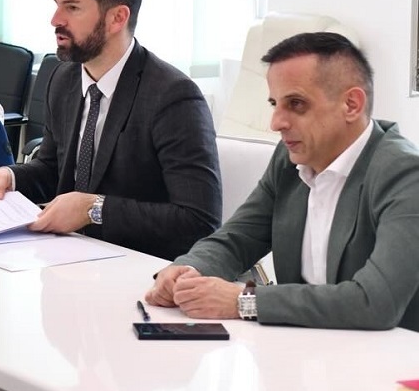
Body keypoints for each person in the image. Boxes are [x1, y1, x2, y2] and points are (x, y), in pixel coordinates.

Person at [146, 32, 419, 331]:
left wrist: (244, 301)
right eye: (275, 103)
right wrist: (188, 270)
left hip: (389, 355)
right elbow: (237, 238)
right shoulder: (290, 160)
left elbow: (376, 302)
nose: (276, 122)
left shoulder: (406, 174)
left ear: (351, 105)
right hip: (303, 346)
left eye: (296, 104)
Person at [0, 0, 221, 260]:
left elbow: (199, 221)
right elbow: (53, 170)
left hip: (135, 265)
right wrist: (12, 178)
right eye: (57, 5)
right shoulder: (63, 79)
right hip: (64, 257)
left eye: (72, 8)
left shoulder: (173, 97)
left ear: (117, 18)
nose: (55, 20)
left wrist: (93, 209)